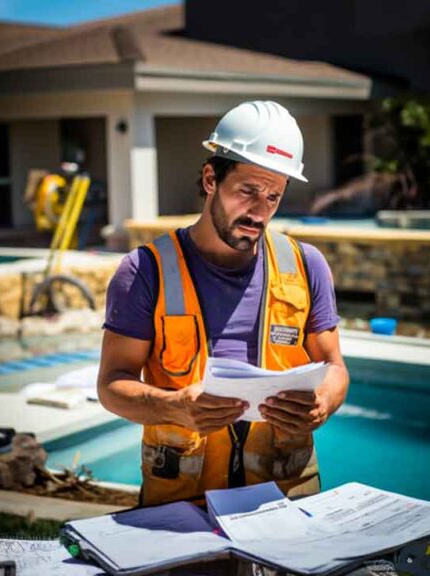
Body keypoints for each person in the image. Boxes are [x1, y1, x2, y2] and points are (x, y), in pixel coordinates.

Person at [97, 100, 349, 506]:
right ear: (211, 178)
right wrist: (174, 406)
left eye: (273, 197)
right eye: (247, 191)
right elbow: (111, 387)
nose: (259, 210)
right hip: (183, 508)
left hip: (287, 497)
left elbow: (334, 367)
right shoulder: (146, 271)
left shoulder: (306, 266)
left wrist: (323, 403)